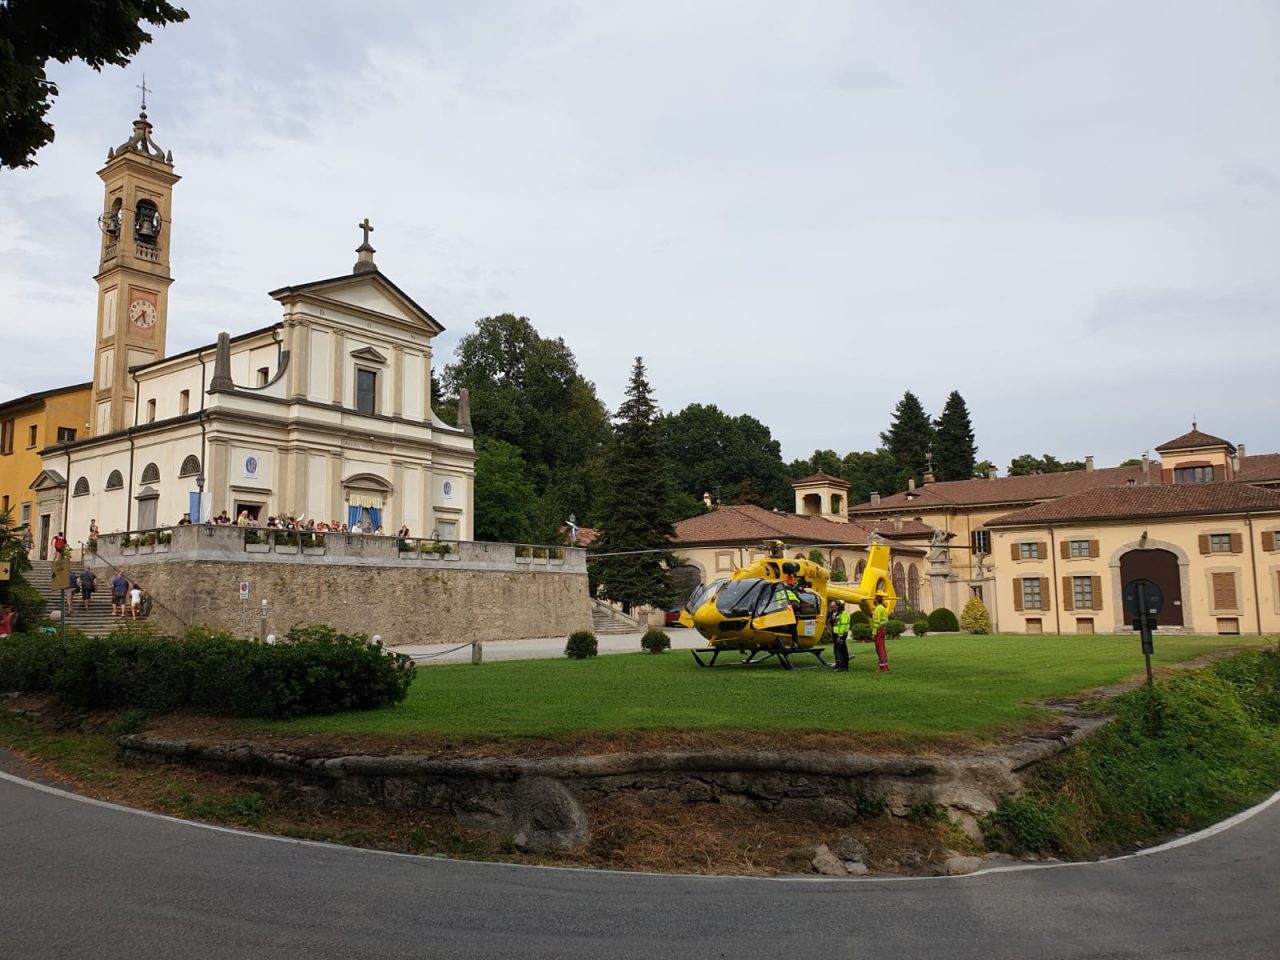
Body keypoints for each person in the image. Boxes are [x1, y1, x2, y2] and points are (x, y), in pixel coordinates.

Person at [871, 593, 890, 672]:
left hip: (878, 631)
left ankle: (883, 667)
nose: (873, 600)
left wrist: (874, 633)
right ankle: (885, 666)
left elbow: (876, 622)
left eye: (874, 598)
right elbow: (885, 620)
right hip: (882, 630)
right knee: (882, 648)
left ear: (877, 600)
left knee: (879, 649)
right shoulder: (882, 607)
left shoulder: (878, 608)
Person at [830, 600, 851, 672]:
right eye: (831, 607)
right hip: (836, 634)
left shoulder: (843, 614)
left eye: (833, 607)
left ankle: (842, 666)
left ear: (838, 606)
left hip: (840, 634)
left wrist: (840, 636)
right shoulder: (837, 613)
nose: (832, 609)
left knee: (840, 650)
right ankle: (841, 665)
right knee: (840, 649)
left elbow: (843, 626)